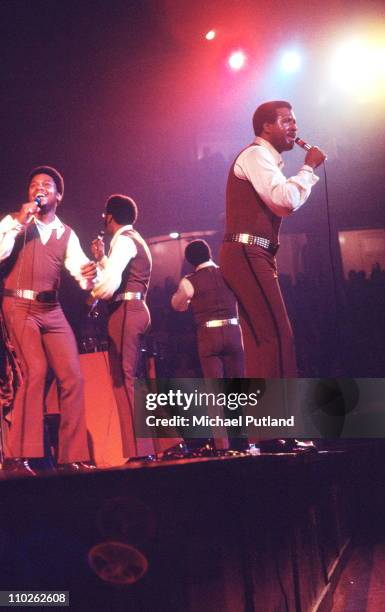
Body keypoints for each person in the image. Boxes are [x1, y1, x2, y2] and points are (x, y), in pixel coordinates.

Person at [0, 166, 96, 475]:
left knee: (73, 377)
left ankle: (73, 457)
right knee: (35, 370)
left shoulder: (66, 233)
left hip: (51, 310)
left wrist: (92, 274)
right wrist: (17, 222)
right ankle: (18, 457)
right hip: (18, 305)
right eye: (34, 185)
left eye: (46, 185)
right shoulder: (16, 222)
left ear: (58, 196)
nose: (38, 189)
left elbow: (81, 271)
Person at [220, 101, 326, 377]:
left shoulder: (265, 158)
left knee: (260, 339)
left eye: (294, 121)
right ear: (267, 126)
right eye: (287, 121)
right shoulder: (256, 155)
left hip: (253, 252)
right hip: (247, 250)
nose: (295, 127)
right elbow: (284, 201)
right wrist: (308, 168)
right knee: (277, 335)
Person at [91, 195, 152, 460]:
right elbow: (119, 273)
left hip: (126, 310)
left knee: (123, 381)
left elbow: (109, 285)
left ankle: (138, 450)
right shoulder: (134, 239)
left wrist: (92, 291)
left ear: (109, 216)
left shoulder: (124, 241)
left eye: (104, 215)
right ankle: (157, 446)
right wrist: (102, 259)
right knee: (134, 381)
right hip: (135, 308)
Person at [171, 239, 244, 378]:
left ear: (189, 261)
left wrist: (186, 303)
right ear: (209, 253)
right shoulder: (228, 272)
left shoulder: (189, 281)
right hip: (233, 331)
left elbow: (177, 305)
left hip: (208, 335)